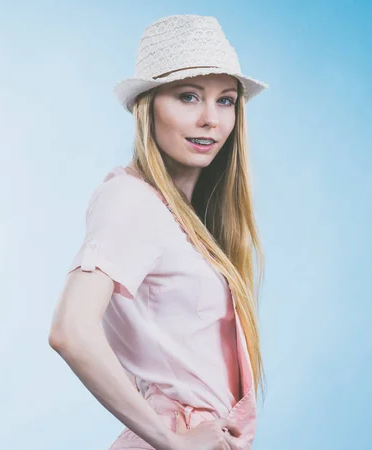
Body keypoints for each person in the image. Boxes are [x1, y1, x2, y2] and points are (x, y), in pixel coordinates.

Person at [49, 14, 268, 450]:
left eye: (226, 101)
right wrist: (174, 441)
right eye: (189, 97)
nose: (211, 119)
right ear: (148, 106)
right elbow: (70, 330)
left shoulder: (184, 215)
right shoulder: (131, 199)